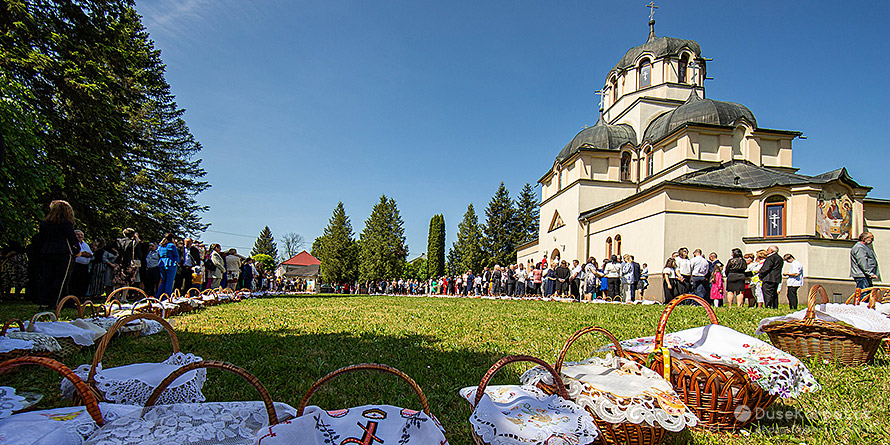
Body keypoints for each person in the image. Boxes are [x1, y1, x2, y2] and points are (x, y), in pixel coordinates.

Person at [32, 200, 80, 309]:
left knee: (47, 277)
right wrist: (77, 251)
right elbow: (72, 239)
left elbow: (42, 238)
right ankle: (55, 302)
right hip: (63, 252)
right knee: (61, 279)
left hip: (47, 251)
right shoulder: (66, 223)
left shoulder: (45, 223)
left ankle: (44, 302)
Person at [70, 230, 93, 299]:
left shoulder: (85, 244)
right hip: (76, 265)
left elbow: (90, 253)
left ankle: (81, 296)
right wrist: (83, 254)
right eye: (78, 234)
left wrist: (88, 254)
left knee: (83, 282)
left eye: (81, 235)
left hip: (85, 266)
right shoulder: (73, 243)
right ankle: (73, 296)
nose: (80, 236)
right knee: (74, 281)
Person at [156, 233, 179, 298]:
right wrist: (177, 262)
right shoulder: (171, 245)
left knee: (163, 281)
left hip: (162, 263)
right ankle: (167, 297)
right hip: (170, 263)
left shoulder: (160, 246)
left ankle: (159, 296)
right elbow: (176, 255)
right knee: (170, 281)